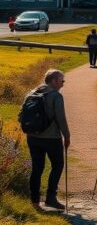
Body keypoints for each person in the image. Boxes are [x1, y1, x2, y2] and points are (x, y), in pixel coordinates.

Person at [22, 69, 70, 209]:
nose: (63, 84)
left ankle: (35, 201)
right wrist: (67, 136)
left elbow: (21, 115)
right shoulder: (56, 96)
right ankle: (50, 198)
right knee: (57, 165)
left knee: (37, 168)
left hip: (33, 138)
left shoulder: (31, 94)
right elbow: (61, 118)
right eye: (62, 81)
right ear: (54, 81)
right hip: (52, 138)